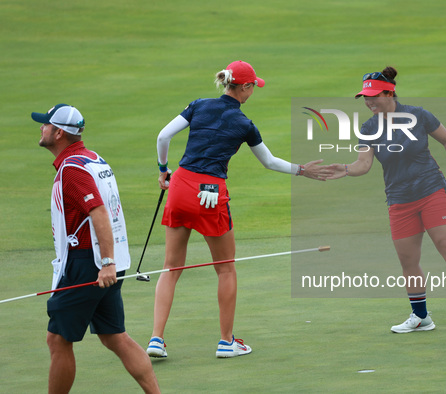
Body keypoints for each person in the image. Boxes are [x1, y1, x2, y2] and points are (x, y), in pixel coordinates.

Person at [147, 60, 330, 359]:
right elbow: (269, 162)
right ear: (243, 87)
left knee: (171, 267)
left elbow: (162, 136)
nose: (252, 92)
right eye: (252, 87)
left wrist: (163, 170)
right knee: (225, 268)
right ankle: (225, 342)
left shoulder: (199, 105)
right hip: (210, 193)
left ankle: (156, 339)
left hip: (179, 186)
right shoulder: (245, 124)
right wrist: (302, 170)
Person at [327, 67, 446, 333]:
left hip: (431, 191)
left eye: (374, 96)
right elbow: (363, 165)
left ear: (390, 93)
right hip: (399, 200)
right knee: (408, 261)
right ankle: (421, 317)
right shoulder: (369, 127)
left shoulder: (418, 115)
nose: (369, 102)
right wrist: (342, 169)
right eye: (365, 97)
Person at [32, 104, 160, 393]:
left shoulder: (73, 169)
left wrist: (106, 262)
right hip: (107, 260)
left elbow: (99, 212)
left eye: (46, 125)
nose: (41, 128)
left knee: (58, 339)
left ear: (59, 133)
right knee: (114, 336)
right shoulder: (94, 159)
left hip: (90, 263)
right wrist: (110, 261)